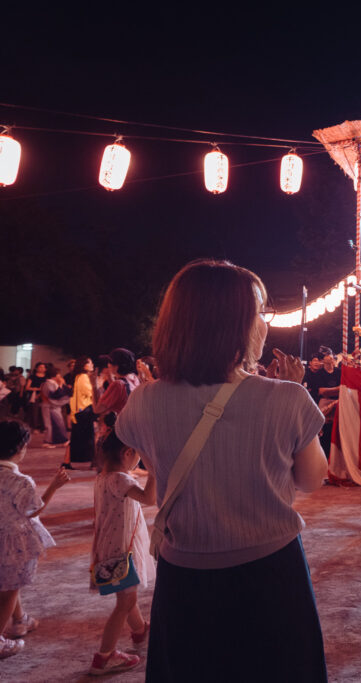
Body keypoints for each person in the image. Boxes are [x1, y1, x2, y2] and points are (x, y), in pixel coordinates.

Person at [115, 259, 329, 682]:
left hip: (184, 578)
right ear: (239, 325)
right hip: (271, 572)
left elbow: (152, 461)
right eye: (260, 313)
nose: (265, 324)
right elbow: (311, 479)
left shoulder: (143, 402)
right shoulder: (287, 399)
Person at [0, 420, 71, 659]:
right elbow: (32, 510)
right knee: (9, 591)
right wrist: (53, 487)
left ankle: (21, 620)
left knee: (10, 583)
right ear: (20, 448)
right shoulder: (21, 481)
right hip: (14, 544)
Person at [87, 432, 156, 675]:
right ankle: (104, 656)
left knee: (128, 595)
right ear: (128, 453)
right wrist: (155, 470)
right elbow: (150, 499)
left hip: (109, 547)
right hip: (122, 550)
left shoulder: (103, 477)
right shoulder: (121, 480)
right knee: (125, 601)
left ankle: (140, 630)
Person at [65, 356, 96, 469]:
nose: (92, 365)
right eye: (90, 363)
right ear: (85, 365)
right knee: (88, 438)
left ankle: (67, 462)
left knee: (77, 438)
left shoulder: (79, 376)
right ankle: (93, 462)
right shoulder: (83, 377)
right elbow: (90, 392)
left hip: (79, 411)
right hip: (84, 411)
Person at [40, 366, 71, 448]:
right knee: (49, 425)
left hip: (54, 406)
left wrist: (62, 385)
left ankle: (62, 440)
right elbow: (54, 396)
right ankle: (47, 441)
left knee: (59, 424)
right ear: (54, 375)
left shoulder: (52, 383)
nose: (59, 376)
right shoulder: (47, 383)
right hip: (49, 406)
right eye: (58, 374)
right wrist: (61, 385)